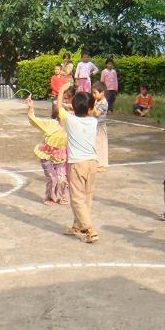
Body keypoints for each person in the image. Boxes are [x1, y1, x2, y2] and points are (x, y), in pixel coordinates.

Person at [56, 81, 99, 243]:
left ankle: (89, 229)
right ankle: (77, 226)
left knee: (77, 198)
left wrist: (61, 90)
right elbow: (91, 111)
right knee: (86, 196)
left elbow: (58, 108)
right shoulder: (93, 122)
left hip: (77, 164)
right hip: (92, 163)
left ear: (74, 108)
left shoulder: (70, 121)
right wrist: (77, 105)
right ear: (89, 108)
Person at [25, 95, 68, 205]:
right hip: (46, 155)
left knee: (62, 178)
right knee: (52, 178)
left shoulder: (70, 125)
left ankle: (60, 196)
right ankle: (49, 197)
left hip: (60, 155)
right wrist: (31, 108)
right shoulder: (51, 124)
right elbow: (34, 120)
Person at [92, 82, 109, 171]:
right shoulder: (97, 101)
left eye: (95, 93)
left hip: (100, 127)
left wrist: (92, 106)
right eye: (93, 93)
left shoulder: (103, 103)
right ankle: (97, 163)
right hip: (95, 126)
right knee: (95, 145)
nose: (93, 95)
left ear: (102, 92)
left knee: (100, 146)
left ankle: (101, 165)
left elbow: (97, 114)